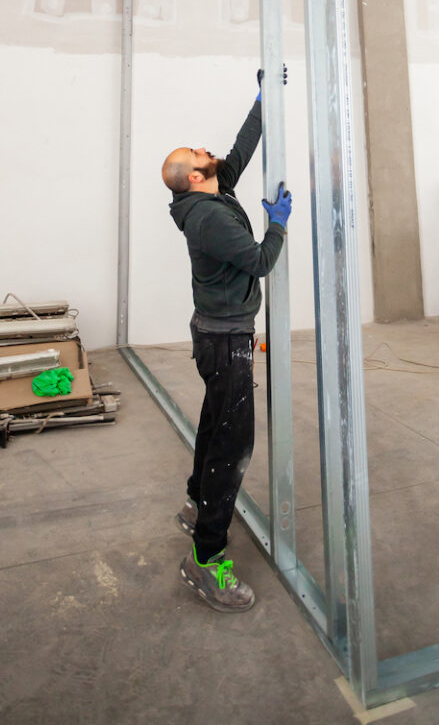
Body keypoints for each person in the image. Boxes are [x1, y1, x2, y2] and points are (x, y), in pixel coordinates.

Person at [161, 78, 291, 613]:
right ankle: (206, 558)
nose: (207, 150)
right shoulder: (209, 218)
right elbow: (260, 261)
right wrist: (277, 227)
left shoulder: (217, 188)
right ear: (194, 176)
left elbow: (240, 147)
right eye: (199, 153)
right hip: (227, 340)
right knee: (234, 445)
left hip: (219, 335)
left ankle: (196, 504)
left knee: (216, 423)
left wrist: (263, 100)